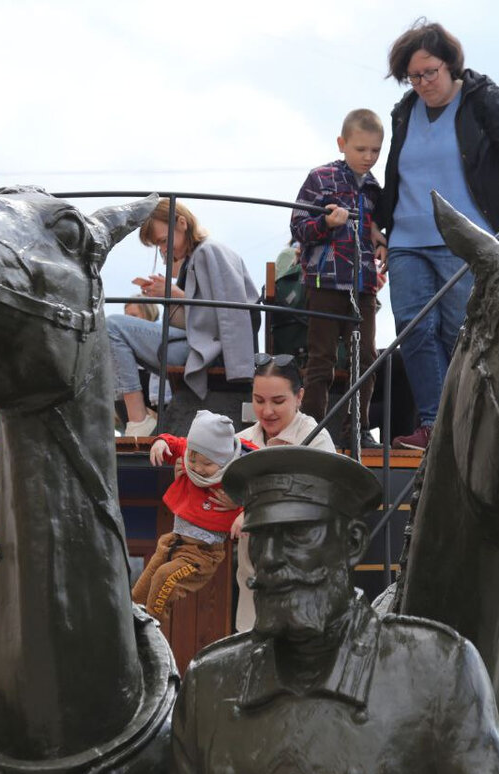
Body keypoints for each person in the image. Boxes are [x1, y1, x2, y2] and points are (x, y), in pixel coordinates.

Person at [167, 446, 499, 774]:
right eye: (260, 537)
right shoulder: (209, 682)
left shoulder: (438, 667)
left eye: (297, 535)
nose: (271, 560)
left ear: (353, 543)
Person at [376, 19, 499, 450]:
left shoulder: (484, 100)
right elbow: (395, 176)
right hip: (407, 240)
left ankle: (471, 421)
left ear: (451, 64)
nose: (422, 83)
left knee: (460, 331)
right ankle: (436, 424)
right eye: (413, 76)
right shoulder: (404, 112)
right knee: (414, 328)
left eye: (429, 72)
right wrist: (380, 227)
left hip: (467, 239)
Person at [108, 199, 258, 437]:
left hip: (208, 350)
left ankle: (138, 419)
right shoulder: (199, 256)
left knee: (112, 326)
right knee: (114, 329)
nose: (164, 250)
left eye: (164, 241)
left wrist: (173, 294)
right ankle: (137, 419)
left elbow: (228, 316)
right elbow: (198, 317)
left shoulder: (210, 251)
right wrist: (166, 297)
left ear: (182, 223)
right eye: (158, 246)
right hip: (199, 342)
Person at [290, 108, 388, 448]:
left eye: (375, 150)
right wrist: (326, 224)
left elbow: (376, 228)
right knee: (322, 360)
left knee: (367, 359)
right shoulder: (321, 178)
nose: (368, 157)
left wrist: (381, 238)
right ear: (342, 144)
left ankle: (356, 431)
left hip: (362, 284)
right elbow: (298, 226)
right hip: (325, 282)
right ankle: (313, 430)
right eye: (361, 149)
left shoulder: (375, 188)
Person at [231, 354, 335, 632]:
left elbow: (318, 505)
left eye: (278, 401)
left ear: (299, 397)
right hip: (252, 588)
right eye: (258, 400)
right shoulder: (241, 442)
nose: (266, 411)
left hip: (301, 586)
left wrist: (255, 512)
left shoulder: (317, 440)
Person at [131, 410, 254, 627]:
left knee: (164, 577)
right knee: (140, 591)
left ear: (225, 459)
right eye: (194, 459)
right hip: (172, 541)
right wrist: (160, 443)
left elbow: (265, 484)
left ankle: (148, 631)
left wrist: (243, 509)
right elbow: (173, 443)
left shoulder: (238, 471)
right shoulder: (192, 451)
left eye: (207, 464)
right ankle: (131, 625)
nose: (198, 468)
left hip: (202, 553)